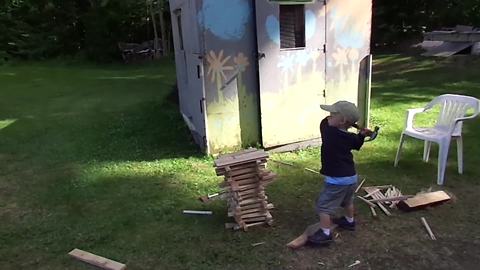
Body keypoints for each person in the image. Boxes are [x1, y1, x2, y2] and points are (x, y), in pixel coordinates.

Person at [307, 100, 373, 246]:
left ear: (343, 120)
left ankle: (325, 233)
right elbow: (357, 144)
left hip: (337, 180)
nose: (328, 117)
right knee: (347, 201)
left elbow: (324, 122)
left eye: (332, 114)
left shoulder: (329, 132)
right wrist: (362, 134)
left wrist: (340, 122)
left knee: (323, 206)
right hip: (351, 178)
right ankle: (349, 221)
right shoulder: (350, 138)